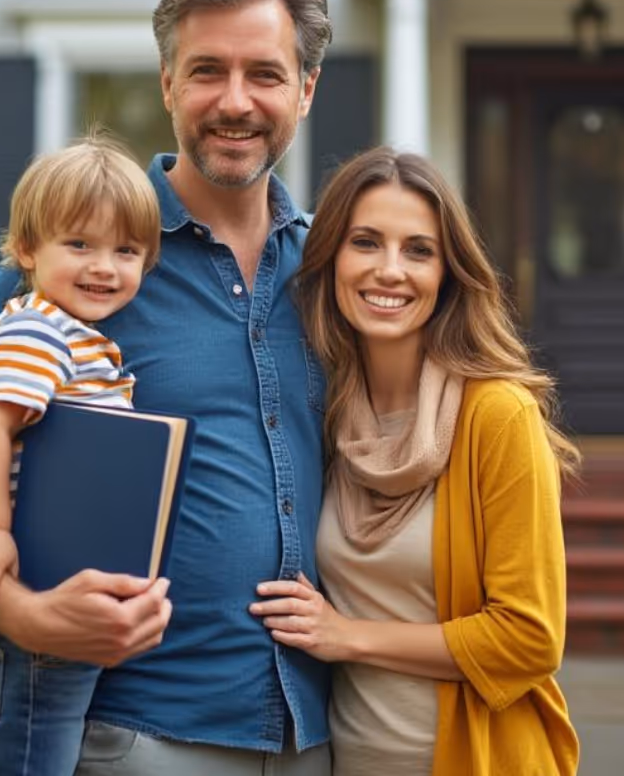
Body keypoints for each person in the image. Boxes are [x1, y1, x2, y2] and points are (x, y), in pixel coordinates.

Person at [0, 0, 335, 776]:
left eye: (264, 73)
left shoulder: (332, 272)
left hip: (308, 733)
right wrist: (25, 616)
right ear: (167, 83)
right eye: (207, 72)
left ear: (304, 89)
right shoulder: (78, 267)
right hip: (124, 736)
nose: (235, 100)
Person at [252, 147, 582, 775]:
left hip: (475, 761)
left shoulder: (497, 416)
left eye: (419, 250)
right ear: (332, 261)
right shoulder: (329, 415)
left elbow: (530, 638)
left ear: (448, 273)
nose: (390, 270)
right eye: (367, 242)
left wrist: (345, 635)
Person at [0, 136, 160, 775]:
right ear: (29, 249)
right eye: (80, 245)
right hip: (28, 630)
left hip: (25, 632)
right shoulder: (39, 329)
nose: (104, 267)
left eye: (126, 251)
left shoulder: (75, 335)